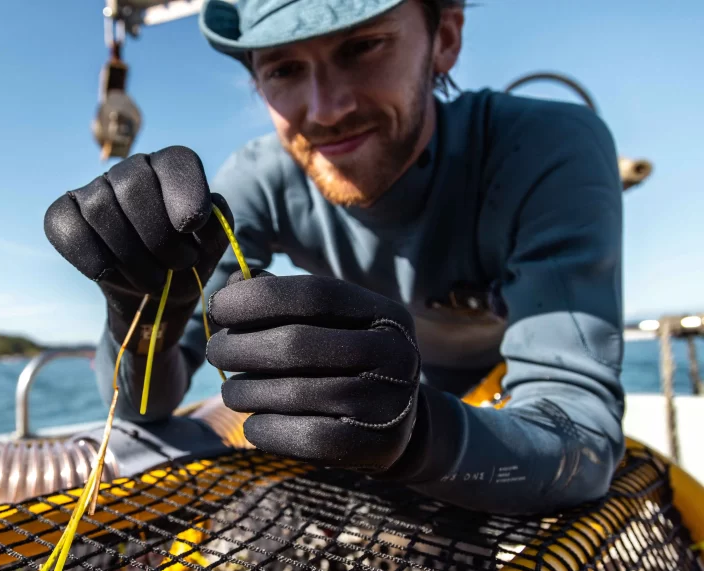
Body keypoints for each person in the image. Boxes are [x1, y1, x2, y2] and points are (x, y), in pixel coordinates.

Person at [43, 0, 625, 515]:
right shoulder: (258, 181)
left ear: (445, 37)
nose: (325, 110)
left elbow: (585, 433)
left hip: (503, 403)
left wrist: (419, 433)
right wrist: (145, 315)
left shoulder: (546, 147)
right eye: (284, 68)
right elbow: (148, 407)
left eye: (363, 46)